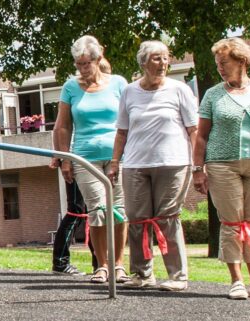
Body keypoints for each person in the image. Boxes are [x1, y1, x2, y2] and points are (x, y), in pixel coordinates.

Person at [193, 37, 250, 300]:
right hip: (223, 164)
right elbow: (201, 136)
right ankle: (236, 281)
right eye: (217, 64)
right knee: (232, 222)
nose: (220, 68)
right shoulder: (213, 94)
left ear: (242, 61)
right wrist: (198, 169)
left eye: (224, 62)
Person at [110, 41, 198, 291]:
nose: (163, 64)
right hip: (136, 163)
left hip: (173, 162)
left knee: (167, 217)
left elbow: (193, 130)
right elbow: (121, 132)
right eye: (157, 59)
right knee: (138, 220)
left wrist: (199, 163)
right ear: (143, 63)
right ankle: (142, 274)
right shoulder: (129, 91)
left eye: (166, 58)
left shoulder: (179, 90)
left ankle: (177, 276)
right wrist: (115, 161)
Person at [52, 35, 129, 284]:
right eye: (79, 64)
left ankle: (119, 265)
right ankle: (102, 265)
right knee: (98, 210)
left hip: (118, 156)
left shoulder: (118, 83)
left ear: (98, 59)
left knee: (118, 210)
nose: (83, 69)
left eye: (87, 63)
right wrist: (65, 159)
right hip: (85, 158)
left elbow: (128, 121)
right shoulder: (70, 87)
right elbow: (63, 126)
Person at [47, 59, 113, 276]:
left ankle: (99, 262)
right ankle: (61, 261)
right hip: (79, 159)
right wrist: (60, 156)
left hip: (96, 158)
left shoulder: (106, 99)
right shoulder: (76, 96)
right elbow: (60, 128)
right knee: (77, 210)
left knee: (98, 210)